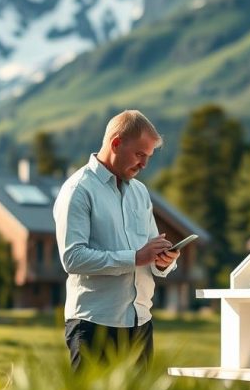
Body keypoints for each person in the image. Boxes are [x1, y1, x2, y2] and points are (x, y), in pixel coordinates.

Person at [53, 110, 179, 371]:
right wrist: (135, 257)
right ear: (116, 143)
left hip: (140, 324)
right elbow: (72, 258)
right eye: (139, 155)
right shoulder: (78, 190)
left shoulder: (141, 192)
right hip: (93, 326)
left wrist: (163, 261)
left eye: (148, 157)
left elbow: (150, 252)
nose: (144, 164)